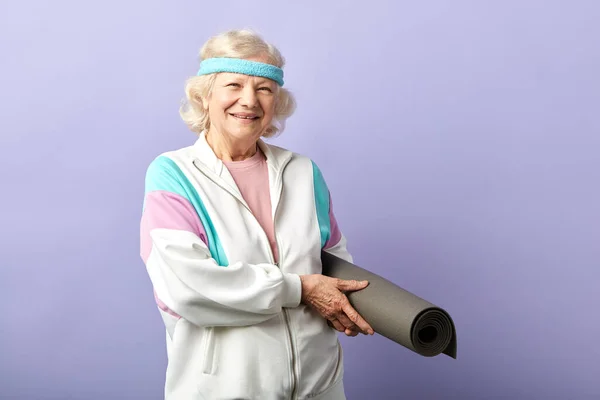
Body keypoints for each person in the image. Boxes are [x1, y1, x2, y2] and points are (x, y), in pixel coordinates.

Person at [139, 29, 374, 400]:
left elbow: (334, 263)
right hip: (225, 389)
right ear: (205, 95)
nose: (249, 100)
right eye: (234, 84)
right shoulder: (173, 174)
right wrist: (300, 289)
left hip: (319, 384)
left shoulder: (303, 172)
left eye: (264, 88)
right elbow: (188, 288)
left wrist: (345, 303)